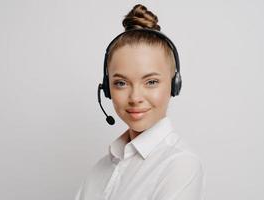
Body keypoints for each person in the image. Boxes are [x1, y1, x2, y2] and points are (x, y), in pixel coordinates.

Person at [75, 4, 206, 200]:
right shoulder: (101, 169)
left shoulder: (181, 165)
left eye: (151, 82)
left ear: (174, 84)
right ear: (107, 88)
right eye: (121, 83)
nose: (135, 97)